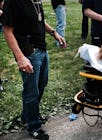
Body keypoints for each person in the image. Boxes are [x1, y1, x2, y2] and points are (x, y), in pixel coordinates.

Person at [2, 0, 66, 139]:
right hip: (28, 51)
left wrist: (54, 32)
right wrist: (20, 58)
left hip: (42, 48)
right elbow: (7, 32)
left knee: (41, 84)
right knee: (32, 91)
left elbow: (39, 20)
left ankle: (27, 116)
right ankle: (34, 126)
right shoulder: (12, 2)